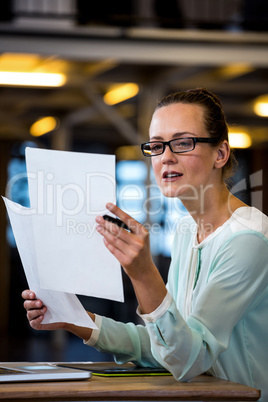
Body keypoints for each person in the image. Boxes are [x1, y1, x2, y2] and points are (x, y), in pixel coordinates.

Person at [22, 88, 268, 401]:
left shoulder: (247, 238)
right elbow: (166, 343)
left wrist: (143, 273)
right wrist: (74, 319)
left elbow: (189, 360)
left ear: (220, 154)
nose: (166, 156)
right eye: (156, 145)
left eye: (182, 142)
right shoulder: (186, 231)